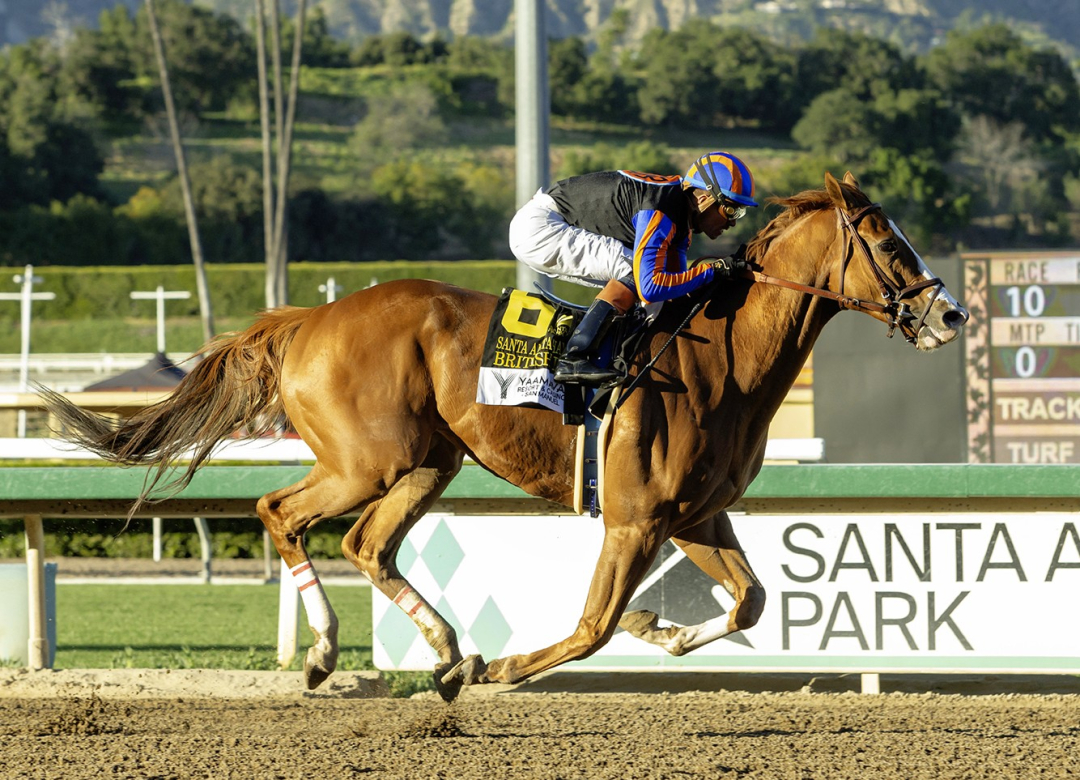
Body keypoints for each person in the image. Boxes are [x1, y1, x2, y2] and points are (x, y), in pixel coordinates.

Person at [508, 151, 759, 385]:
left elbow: (674, 290)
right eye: (731, 209)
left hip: (547, 223)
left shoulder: (681, 223)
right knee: (634, 272)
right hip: (540, 227)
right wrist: (712, 271)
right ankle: (574, 357)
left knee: (652, 292)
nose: (733, 223)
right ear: (704, 199)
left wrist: (720, 280)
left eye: (740, 213)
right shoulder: (662, 210)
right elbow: (650, 286)